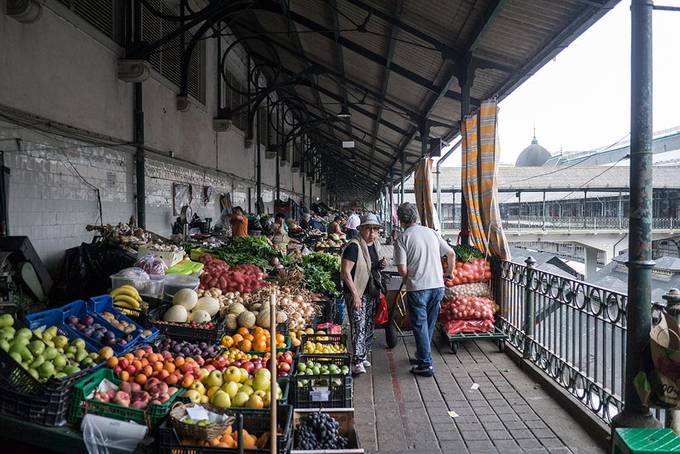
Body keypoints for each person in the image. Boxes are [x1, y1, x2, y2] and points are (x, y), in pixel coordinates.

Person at [393, 202, 455, 377]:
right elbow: (451, 253)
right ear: (416, 217)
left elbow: (403, 270)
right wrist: (448, 273)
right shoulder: (431, 233)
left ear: (400, 219)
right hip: (437, 286)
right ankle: (422, 355)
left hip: (418, 287)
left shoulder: (402, 238)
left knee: (419, 325)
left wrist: (407, 280)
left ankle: (426, 364)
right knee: (428, 324)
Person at [340, 213, 386, 375]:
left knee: (368, 326)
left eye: (375, 229)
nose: (372, 233)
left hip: (371, 292)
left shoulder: (375, 244)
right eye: (368, 229)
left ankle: (363, 354)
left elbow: (370, 267)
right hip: (357, 292)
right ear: (361, 229)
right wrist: (355, 295)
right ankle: (357, 360)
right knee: (358, 326)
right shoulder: (354, 246)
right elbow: (345, 272)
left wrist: (380, 265)